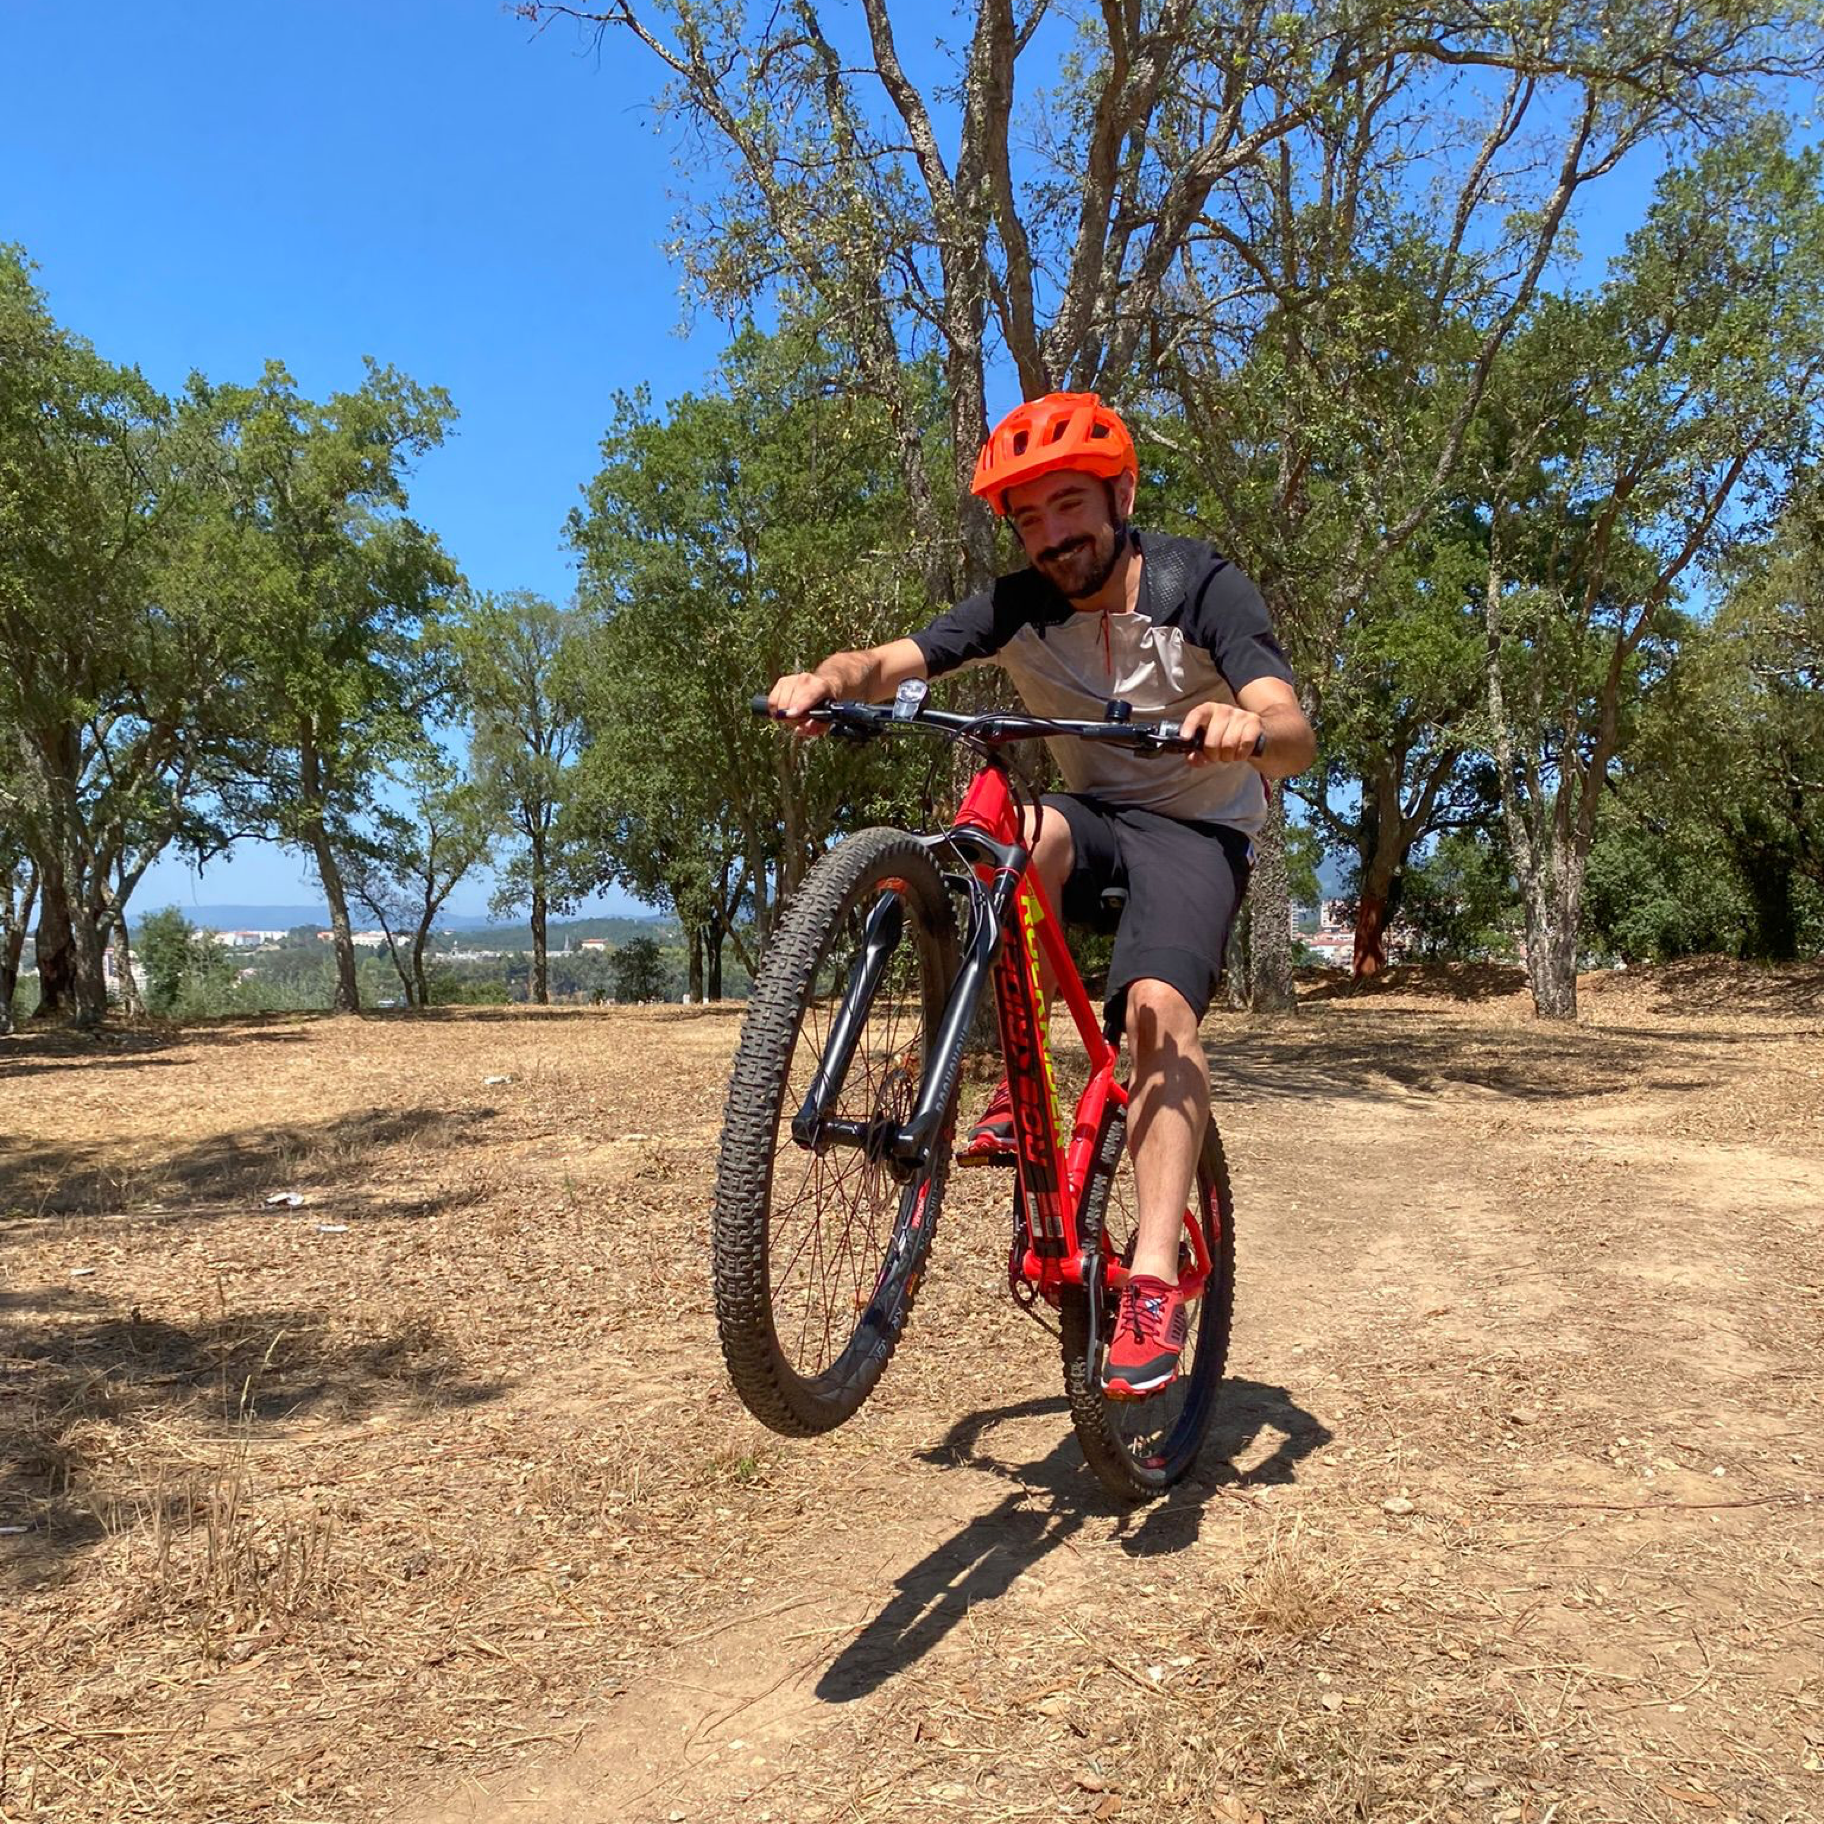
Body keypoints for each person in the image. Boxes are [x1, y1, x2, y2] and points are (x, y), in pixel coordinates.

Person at [766, 392, 1314, 1397]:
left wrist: (1248, 725)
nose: (1053, 536)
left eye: (1070, 505)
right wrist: (826, 677)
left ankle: (1152, 1282)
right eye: (1028, 519)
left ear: (1121, 494)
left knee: (1154, 1014)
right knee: (1005, 841)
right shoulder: (1022, 605)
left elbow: (1291, 721)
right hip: (1094, 817)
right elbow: (891, 660)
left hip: (1197, 833)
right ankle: (1025, 1089)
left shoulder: (1202, 587)